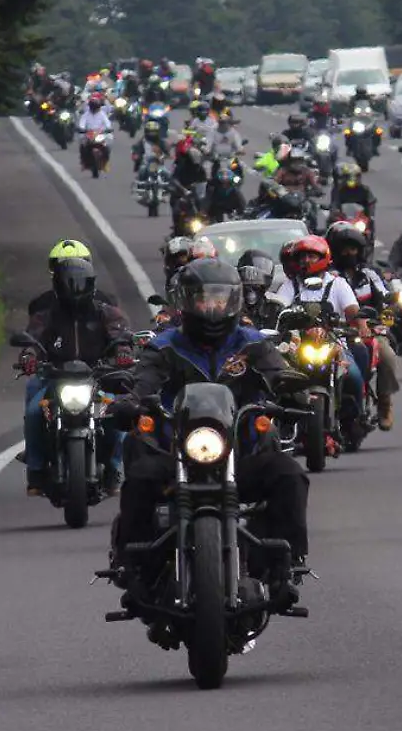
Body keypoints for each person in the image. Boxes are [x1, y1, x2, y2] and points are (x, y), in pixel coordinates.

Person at [108, 260, 309, 601]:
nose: (212, 307)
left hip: (241, 453)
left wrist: (292, 389)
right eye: (203, 299)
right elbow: (144, 382)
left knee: (289, 474)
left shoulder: (252, 343)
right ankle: (135, 565)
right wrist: (129, 401)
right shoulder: (165, 346)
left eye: (220, 298)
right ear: (185, 301)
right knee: (140, 478)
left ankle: (285, 564)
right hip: (177, 455)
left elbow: (277, 371)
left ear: (234, 301)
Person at [23, 242, 130, 496]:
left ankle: (114, 467)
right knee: (34, 412)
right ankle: (36, 471)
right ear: (58, 283)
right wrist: (29, 355)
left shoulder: (106, 312)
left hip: (97, 379)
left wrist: (123, 352)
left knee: (117, 413)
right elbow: (33, 339)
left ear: (91, 283)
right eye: (69, 283)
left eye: (81, 283)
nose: (75, 289)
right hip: (56, 378)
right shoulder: (46, 314)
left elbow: (121, 335)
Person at [271, 236, 369, 429]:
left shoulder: (338, 284)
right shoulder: (291, 286)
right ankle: (285, 423)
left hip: (335, 343)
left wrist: (361, 325)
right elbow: (278, 310)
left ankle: (357, 416)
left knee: (354, 376)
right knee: (280, 378)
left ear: (324, 257)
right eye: (302, 257)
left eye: (311, 256)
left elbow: (353, 312)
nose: (306, 261)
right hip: (298, 345)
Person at [326, 221, 400, 430]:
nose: (349, 252)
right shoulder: (327, 277)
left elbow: (386, 297)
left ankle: (384, 404)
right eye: (343, 248)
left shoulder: (369, 274)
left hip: (370, 331)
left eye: (353, 247)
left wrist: (388, 312)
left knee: (386, 355)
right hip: (335, 333)